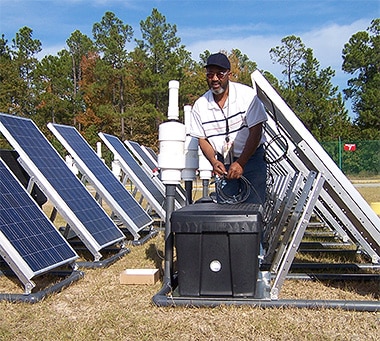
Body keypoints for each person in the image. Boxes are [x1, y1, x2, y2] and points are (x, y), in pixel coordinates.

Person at [190, 52, 267, 204]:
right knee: (225, 210)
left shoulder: (247, 96)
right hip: (223, 162)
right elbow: (202, 139)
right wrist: (213, 161)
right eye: (210, 75)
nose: (215, 79)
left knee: (253, 209)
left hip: (252, 158)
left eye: (220, 74)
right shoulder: (200, 106)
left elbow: (256, 131)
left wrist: (241, 163)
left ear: (229, 74)